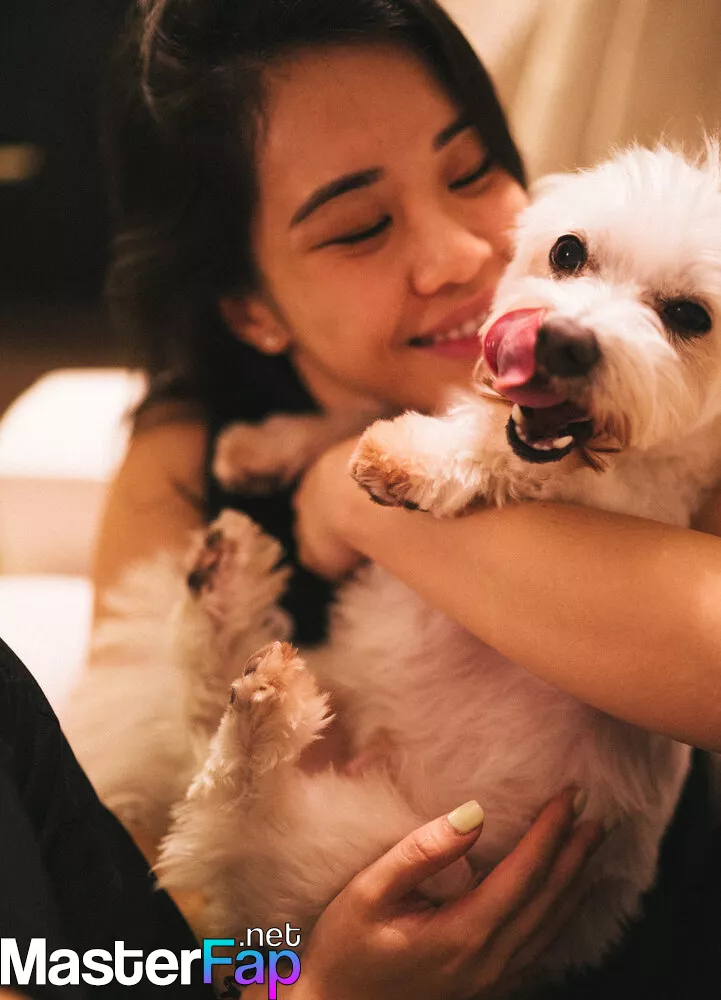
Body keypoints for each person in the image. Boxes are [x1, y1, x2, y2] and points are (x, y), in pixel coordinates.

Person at [87, 0, 721, 995]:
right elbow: (113, 938)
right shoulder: (183, 459)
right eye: (360, 226)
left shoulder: (686, 434)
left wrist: (349, 496)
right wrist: (303, 988)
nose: (461, 257)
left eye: (469, 172)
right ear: (250, 308)